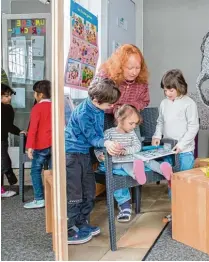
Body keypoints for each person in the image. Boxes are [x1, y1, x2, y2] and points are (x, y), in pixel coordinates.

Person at [64, 78, 122, 245]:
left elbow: (98, 133)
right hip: (72, 155)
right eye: (109, 103)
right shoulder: (83, 113)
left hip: (84, 154)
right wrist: (105, 144)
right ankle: (70, 229)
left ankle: (82, 223)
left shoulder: (98, 108)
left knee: (89, 191)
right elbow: (92, 136)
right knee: (75, 193)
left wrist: (99, 151)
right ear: (97, 100)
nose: (111, 106)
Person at [98, 105, 173, 223]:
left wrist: (127, 151)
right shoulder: (109, 133)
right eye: (131, 123)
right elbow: (99, 146)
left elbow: (138, 146)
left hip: (132, 157)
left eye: (135, 124)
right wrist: (100, 156)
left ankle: (163, 168)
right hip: (117, 161)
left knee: (146, 160)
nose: (134, 126)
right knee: (127, 165)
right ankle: (137, 174)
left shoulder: (132, 133)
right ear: (119, 119)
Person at [152, 69, 199, 174]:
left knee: (184, 180)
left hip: (185, 151)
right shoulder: (164, 103)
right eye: (165, 90)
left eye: (171, 90)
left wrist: (181, 145)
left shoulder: (189, 104)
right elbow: (160, 122)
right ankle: (171, 191)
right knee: (171, 180)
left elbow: (193, 127)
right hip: (168, 149)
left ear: (180, 87)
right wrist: (157, 136)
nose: (167, 93)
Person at [96, 44, 150, 115]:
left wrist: (131, 107)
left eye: (137, 68)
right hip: (102, 118)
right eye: (130, 68)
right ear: (119, 66)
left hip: (128, 119)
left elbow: (145, 101)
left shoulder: (141, 82)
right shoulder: (105, 76)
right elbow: (96, 100)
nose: (134, 73)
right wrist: (116, 109)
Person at [24, 80, 52, 209]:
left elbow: (33, 129)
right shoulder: (55, 106)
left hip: (41, 145)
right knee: (52, 172)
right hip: (54, 145)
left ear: (39, 94)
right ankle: (54, 198)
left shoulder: (37, 108)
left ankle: (39, 198)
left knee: (35, 171)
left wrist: (29, 147)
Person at [1, 83, 24, 197]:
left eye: (10, 95)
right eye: (6, 96)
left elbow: (8, 126)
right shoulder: (6, 108)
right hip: (1, 140)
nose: (9, 98)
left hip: (2, 140)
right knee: (4, 163)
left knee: (3, 163)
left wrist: (19, 131)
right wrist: (19, 131)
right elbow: (9, 126)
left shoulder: (7, 108)